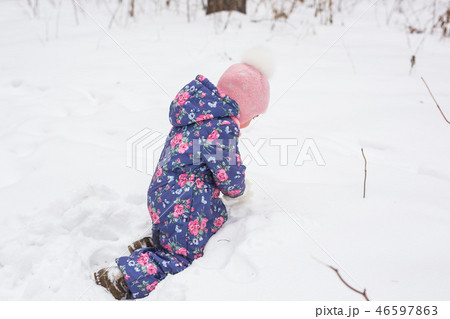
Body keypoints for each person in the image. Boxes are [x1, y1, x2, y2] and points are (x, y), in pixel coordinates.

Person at [94, 57, 271, 300]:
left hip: (163, 194)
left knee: (216, 217)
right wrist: (239, 188)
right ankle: (124, 275)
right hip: (184, 204)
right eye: (255, 115)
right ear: (244, 108)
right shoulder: (221, 126)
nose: (252, 122)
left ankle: (157, 244)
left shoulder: (197, 112)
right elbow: (228, 175)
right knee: (188, 256)